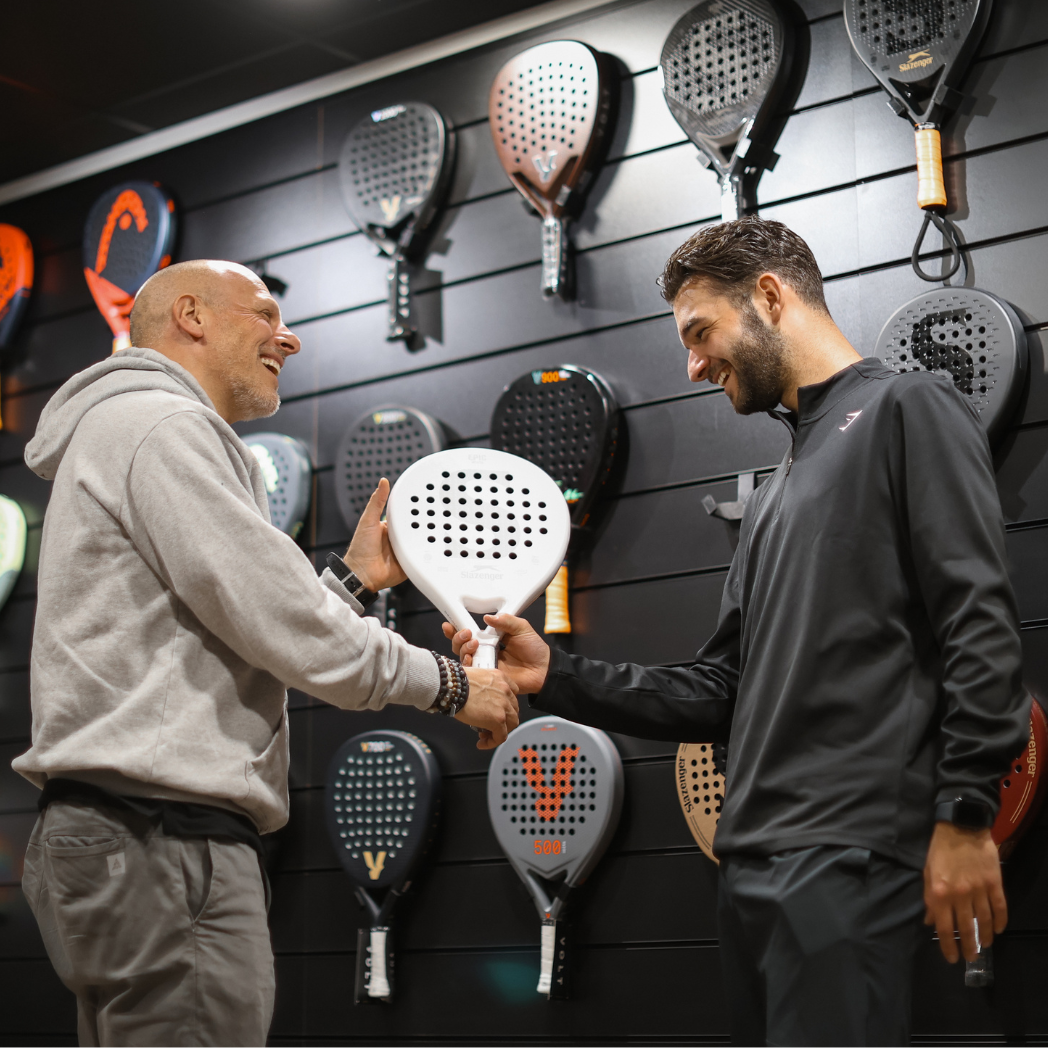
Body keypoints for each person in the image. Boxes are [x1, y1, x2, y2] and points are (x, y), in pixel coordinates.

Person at [447, 218, 1029, 1047]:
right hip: (748, 861)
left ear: (768, 295)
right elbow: (719, 689)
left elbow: (979, 623)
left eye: (699, 332)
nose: (693, 364)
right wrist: (558, 675)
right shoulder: (778, 489)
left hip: (847, 851)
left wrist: (967, 813)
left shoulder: (910, 408)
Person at [14, 259, 519, 1048]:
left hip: (119, 838)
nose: (289, 337)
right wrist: (456, 687)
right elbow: (287, 628)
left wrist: (348, 583)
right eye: (264, 314)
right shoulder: (163, 426)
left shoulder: (128, 429)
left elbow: (237, 624)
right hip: (161, 842)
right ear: (192, 315)